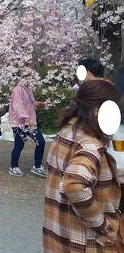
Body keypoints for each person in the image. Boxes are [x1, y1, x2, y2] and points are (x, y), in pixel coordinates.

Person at [43, 79, 122, 251]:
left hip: (58, 236)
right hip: (84, 241)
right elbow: (74, 185)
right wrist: (101, 223)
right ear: (96, 111)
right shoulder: (90, 145)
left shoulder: (66, 133)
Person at [8, 79, 47, 177]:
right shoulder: (18, 89)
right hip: (19, 123)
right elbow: (18, 106)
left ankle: (37, 166)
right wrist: (26, 119)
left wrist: (38, 104)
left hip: (30, 122)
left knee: (40, 141)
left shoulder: (28, 90)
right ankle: (13, 167)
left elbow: (29, 104)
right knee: (19, 145)